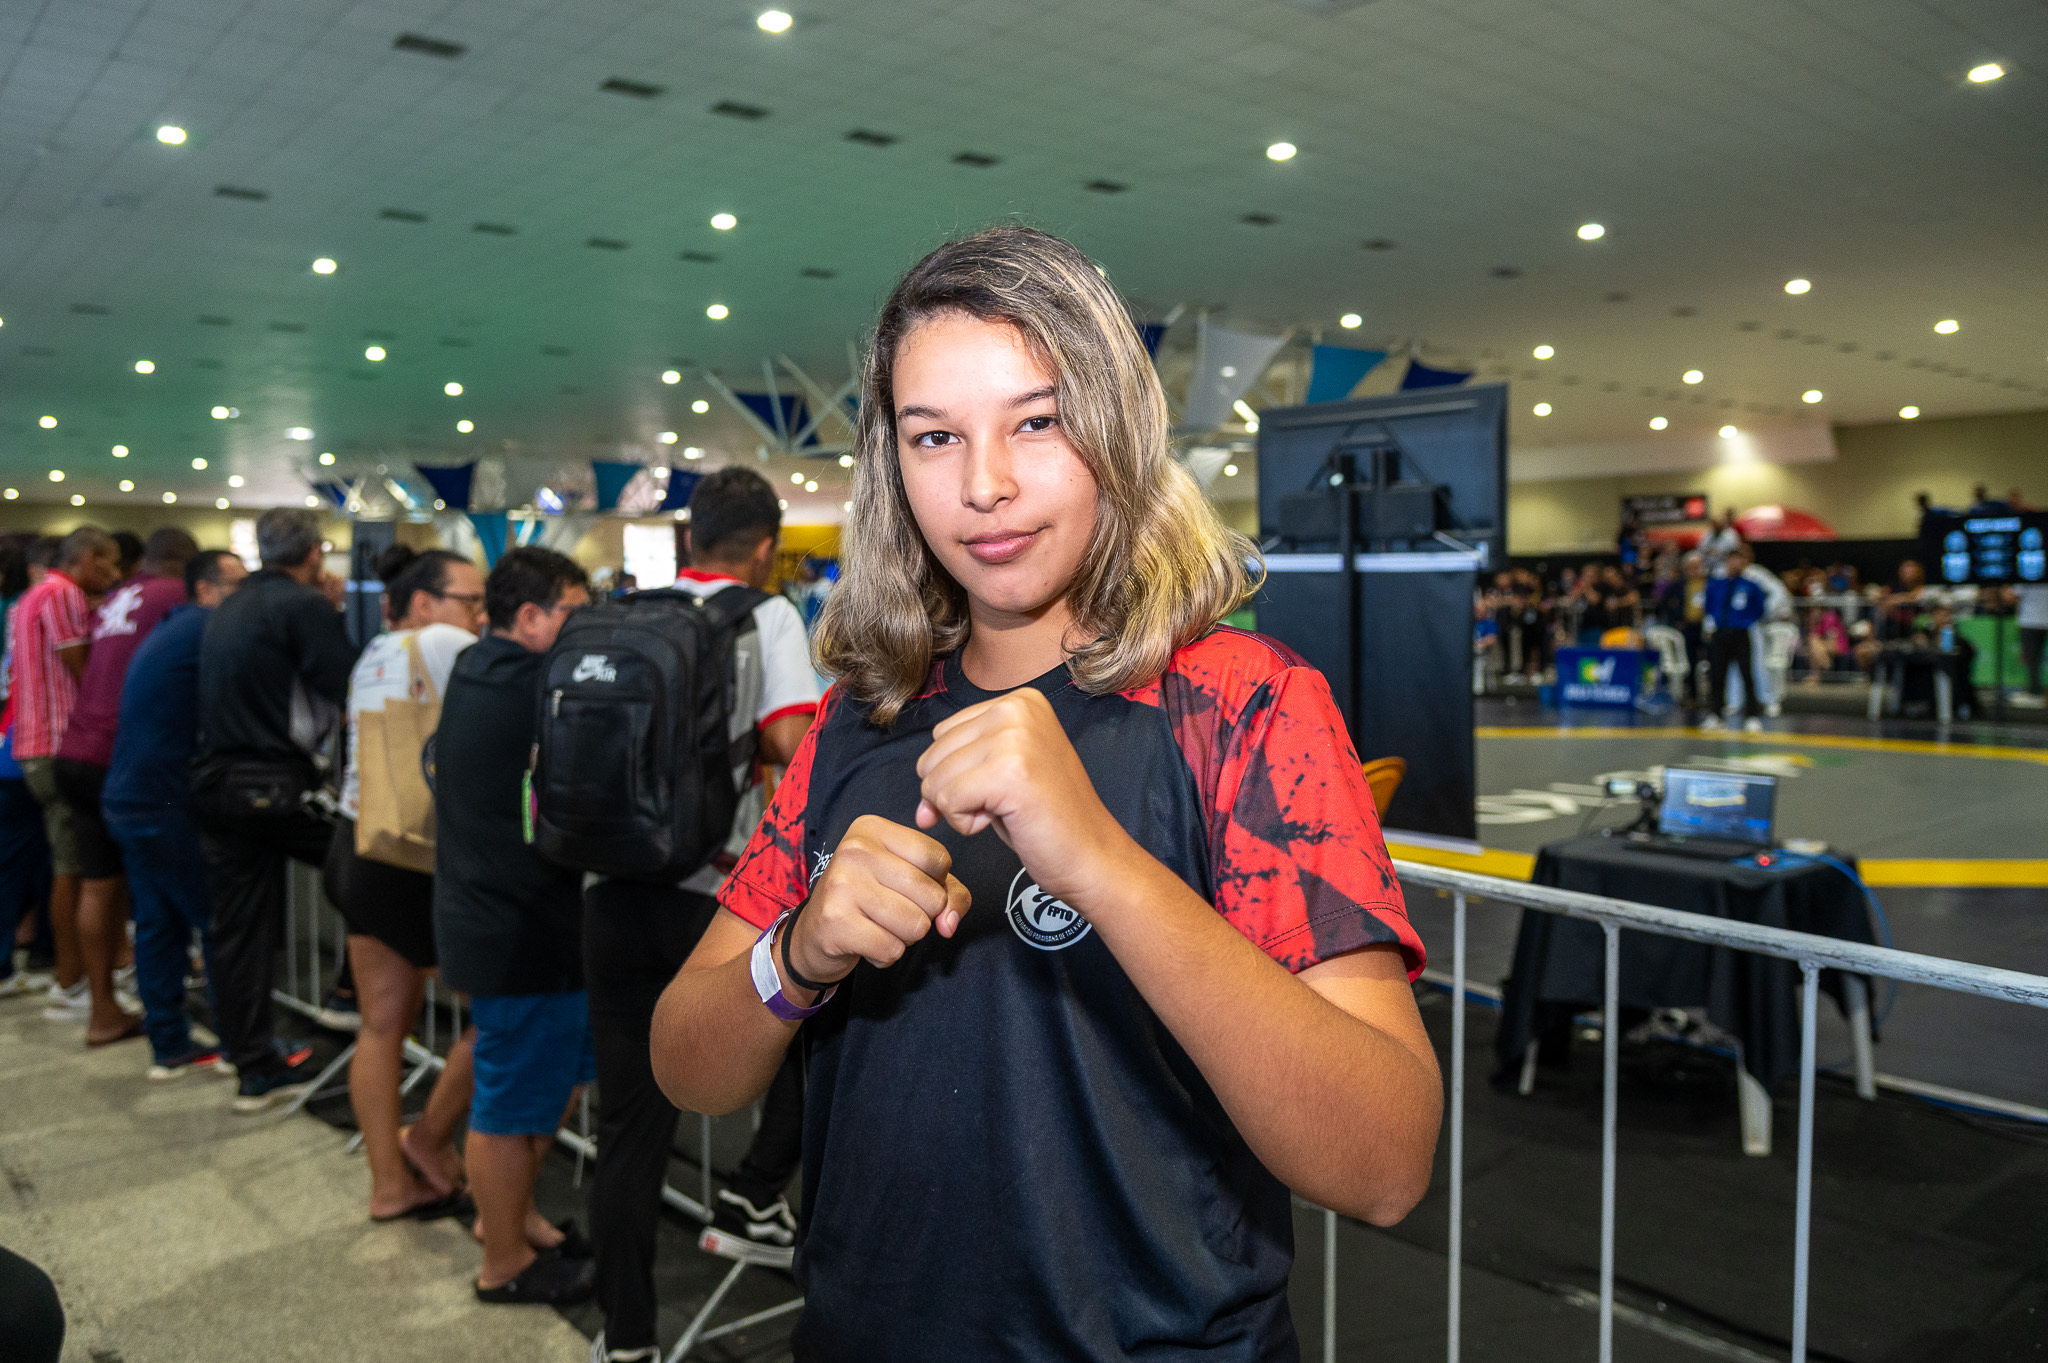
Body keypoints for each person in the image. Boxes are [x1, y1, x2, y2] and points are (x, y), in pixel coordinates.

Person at [650, 226, 1439, 1360]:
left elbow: (1382, 1162)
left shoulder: (1239, 703)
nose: (985, 485)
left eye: (1038, 420)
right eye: (935, 437)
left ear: (1114, 429)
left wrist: (1105, 866)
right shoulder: (855, 720)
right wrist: (798, 952)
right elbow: (690, 1062)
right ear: (893, 467)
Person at [584, 467, 822, 1363]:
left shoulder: (628, 613)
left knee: (629, 1125)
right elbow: (791, 747)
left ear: (690, 539)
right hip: (716, 897)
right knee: (799, 1043)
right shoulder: (766, 616)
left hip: (609, 891)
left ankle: (628, 1337)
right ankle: (756, 1190)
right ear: (764, 546)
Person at [432, 546, 596, 1304]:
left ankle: (514, 1216)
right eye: (576, 611)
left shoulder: (477, 665)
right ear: (530, 617)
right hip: (516, 924)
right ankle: (501, 1260)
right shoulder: (533, 683)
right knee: (506, 1101)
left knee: (542, 1084)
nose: (587, 630)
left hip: (499, 913)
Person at [325, 546, 484, 1220]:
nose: (480, 615)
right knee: (506, 1012)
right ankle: (428, 1135)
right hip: (414, 856)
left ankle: (389, 1183)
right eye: (469, 600)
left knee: (380, 1024)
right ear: (425, 603)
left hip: (358, 840)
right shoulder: (445, 643)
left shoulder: (374, 652)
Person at [193, 508, 358, 1110]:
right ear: (314, 554)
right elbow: (351, 683)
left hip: (217, 780)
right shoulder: (300, 606)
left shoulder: (230, 605)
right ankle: (353, 994)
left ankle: (251, 1065)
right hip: (271, 783)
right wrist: (331, 613)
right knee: (364, 863)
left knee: (239, 929)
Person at [102, 549, 248, 1078]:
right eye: (238, 585)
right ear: (207, 589)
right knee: (215, 920)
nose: (246, 597)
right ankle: (242, 1046)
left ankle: (170, 1045)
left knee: (159, 923)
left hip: (128, 798)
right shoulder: (206, 631)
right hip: (163, 802)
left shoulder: (171, 629)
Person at [51, 528, 199, 1048]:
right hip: (126, 757)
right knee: (164, 895)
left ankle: (102, 1009)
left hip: (76, 747)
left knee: (99, 885)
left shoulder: (118, 596)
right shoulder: (176, 598)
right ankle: (193, 1016)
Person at [10, 528, 123, 1030]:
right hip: (60, 745)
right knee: (75, 870)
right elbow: (84, 669)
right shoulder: (62, 594)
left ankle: (75, 977)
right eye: (110, 563)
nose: (115, 575)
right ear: (90, 556)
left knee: (69, 866)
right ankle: (73, 981)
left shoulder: (31, 597)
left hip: (34, 744)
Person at [1702, 543, 1768, 731]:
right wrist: (1713, 621)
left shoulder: (1751, 586)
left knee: (1747, 674)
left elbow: (1759, 609)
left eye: (1739, 560)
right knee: (1717, 674)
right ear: (1727, 562)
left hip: (1740, 634)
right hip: (1720, 633)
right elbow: (1709, 605)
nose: (1735, 564)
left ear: (1744, 563)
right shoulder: (1717, 584)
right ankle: (1715, 714)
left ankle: (1752, 716)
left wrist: (1745, 621)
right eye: (1732, 560)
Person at [2017, 581, 2048, 705]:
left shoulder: (2025, 576)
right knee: (2037, 659)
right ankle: (2036, 691)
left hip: (2029, 621)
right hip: (2044, 622)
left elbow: (2012, 596)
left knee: (2031, 659)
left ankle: (2035, 692)